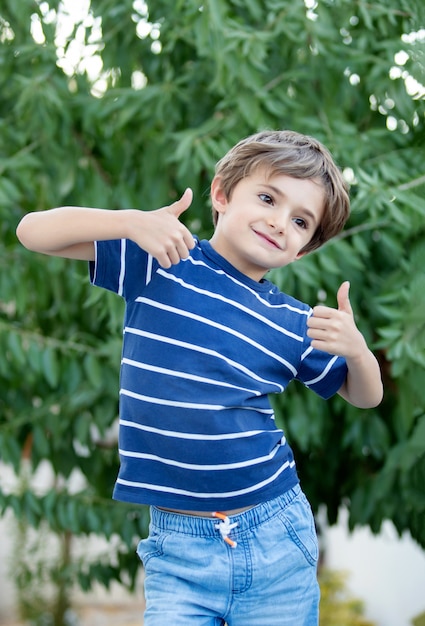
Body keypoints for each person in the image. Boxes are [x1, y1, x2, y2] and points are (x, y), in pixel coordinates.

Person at [16, 129, 383, 626]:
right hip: (179, 546)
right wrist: (129, 223)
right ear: (221, 194)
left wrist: (358, 353)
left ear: (302, 250)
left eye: (300, 221)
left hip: (274, 533)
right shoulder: (161, 260)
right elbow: (31, 231)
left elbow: (364, 396)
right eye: (268, 198)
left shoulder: (291, 322)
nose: (279, 222)